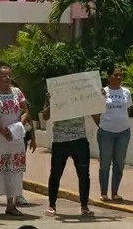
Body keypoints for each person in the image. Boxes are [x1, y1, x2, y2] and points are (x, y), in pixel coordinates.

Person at [0, 64, 35, 217]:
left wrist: (19, 124)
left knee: (13, 170)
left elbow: (25, 111)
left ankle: (11, 204)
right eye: (3, 75)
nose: (7, 78)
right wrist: (1, 130)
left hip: (15, 138)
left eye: (9, 75)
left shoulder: (17, 92)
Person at [43, 89, 95, 217]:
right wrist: (51, 102)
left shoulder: (81, 98)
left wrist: (99, 97)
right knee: (55, 173)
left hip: (79, 140)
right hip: (60, 141)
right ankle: (52, 205)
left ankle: (84, 205)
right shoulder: (52, 97)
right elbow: (45, 117)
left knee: (84, 174)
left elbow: (95, 108)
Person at [92, 66, 133, 201]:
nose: (119, 78)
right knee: (105, 163)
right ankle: (104, 192)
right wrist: (103, 125)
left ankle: (115, 192)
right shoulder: (102, 92)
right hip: (106, 132)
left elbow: (127, 110)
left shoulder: (126, 92)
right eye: (116, 75)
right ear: (109, 77)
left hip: (123, 132)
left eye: (121, 75)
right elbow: (94, 112)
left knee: (119, 163)